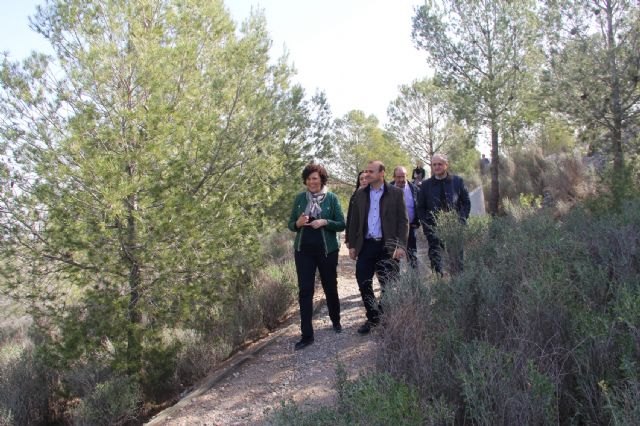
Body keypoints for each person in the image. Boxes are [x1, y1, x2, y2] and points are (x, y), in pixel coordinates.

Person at [288, 164, 346, 350]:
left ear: (321, 179)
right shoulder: (299, 199)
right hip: (303, 251)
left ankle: (335, 320)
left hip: (327, 251)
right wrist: (297, 223)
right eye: (309, 178)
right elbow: (290, 224)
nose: (312, 182)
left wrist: (325, 222)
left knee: (330, 286)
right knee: (305, 291)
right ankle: (307, 335)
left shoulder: (331, 199)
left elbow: (341, 224)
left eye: (315, 178)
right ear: (305, 181)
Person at [347, 160, 409, 334]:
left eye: (371, 171)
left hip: (386, 246)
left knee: (388, 284)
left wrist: (401, 245)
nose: (367, 174)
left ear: (382, 173)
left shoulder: (395, 193)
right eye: (366, 171)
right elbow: (355, 221)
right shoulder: (360, 194)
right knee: (362, 280)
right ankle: (373, 317)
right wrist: (352, 245)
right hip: (366, 245)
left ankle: (383, 315)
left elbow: (403, 222)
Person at [417, 153, 471, 276]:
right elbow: (420, 208)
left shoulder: (457, 181)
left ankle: (458, 284)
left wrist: (461, 220)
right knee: (436, 260)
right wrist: (427, 227)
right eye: (434, 164)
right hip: (434, 229)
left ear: (446, 165)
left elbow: (466, 202)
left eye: (440, 164)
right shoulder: (425, 185)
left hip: (454, 228)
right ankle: (439, 283)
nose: (437, 167)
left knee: (457, 261)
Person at [390, 166, 420, 269]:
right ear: (394, 177)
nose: (401, 179)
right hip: (392, 230)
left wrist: (417, 222)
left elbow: (419, 207)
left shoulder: (415, 189)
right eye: (398, 177)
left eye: (403, 176)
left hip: (410, 228)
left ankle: (414, 281)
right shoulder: (387, 189)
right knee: (393, 257)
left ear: (407, 176)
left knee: (412, 255)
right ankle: (394, 281)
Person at [344, 170, 367, 246]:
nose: (364, 180)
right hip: (358, 236)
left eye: (366, 178)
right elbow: (350, 218)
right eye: (361, 179)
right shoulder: (354, 196)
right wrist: (348, 239)